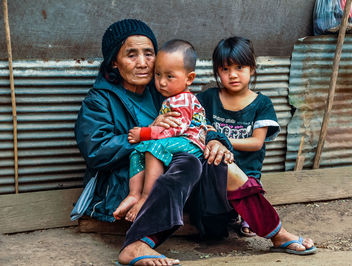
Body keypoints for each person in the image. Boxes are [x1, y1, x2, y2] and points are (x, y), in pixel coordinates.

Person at [74, 19, 315, 266]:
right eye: (131, 55)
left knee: (220, 162)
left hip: (176, 173)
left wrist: (216, 141)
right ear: (115, 61)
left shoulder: (164, 88)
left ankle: (276, 232)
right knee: (187, 166)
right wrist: (150, 132)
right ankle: (137, 245)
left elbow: (199, 123)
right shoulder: (99, 101)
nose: (143, 62)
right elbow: (96, 150)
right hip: (129, 181)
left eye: (148, 53)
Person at [197, 36, 317, 254]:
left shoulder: (262, 103)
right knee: (213, 234)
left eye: (239, 67)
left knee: (242, 189)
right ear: (217, 72)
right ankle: (235, 215)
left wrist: (220, 140)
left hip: (246, 175)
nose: (232, 74)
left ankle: (268, 228)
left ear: (252, 68)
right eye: (225, 69)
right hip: (212, 175)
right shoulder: (208, 98)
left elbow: (256, 143)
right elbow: (197, 129)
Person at [112, 39, 208, 222]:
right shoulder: (170, 97)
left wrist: (146, 133)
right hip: (176, 142)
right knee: (138, 151)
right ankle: (134, 193)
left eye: (169, 76)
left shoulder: (183, 100)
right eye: (157, 75)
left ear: (189, 78)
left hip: (191, 142)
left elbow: (176, 129)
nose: (162, 82)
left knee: (153, 148)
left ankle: (147, 197)